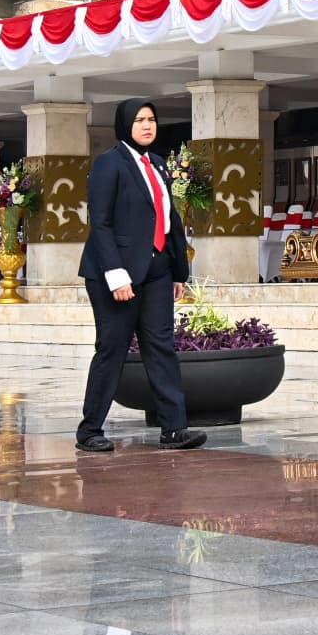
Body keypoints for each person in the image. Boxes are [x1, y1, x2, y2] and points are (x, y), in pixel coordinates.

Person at [76, 98, 206, 455]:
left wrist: (178, 270)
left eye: (151, 119)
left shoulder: (159, 165)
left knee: (161, 348)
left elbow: (169, 221)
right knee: (112, 349)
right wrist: (116, 276)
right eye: (139, 120)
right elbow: (100, 223)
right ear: (124, 126)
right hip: (115, 276)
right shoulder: (109, 164)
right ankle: (89, 430)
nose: (147, 126)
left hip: (157, 272)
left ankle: (174, 429)